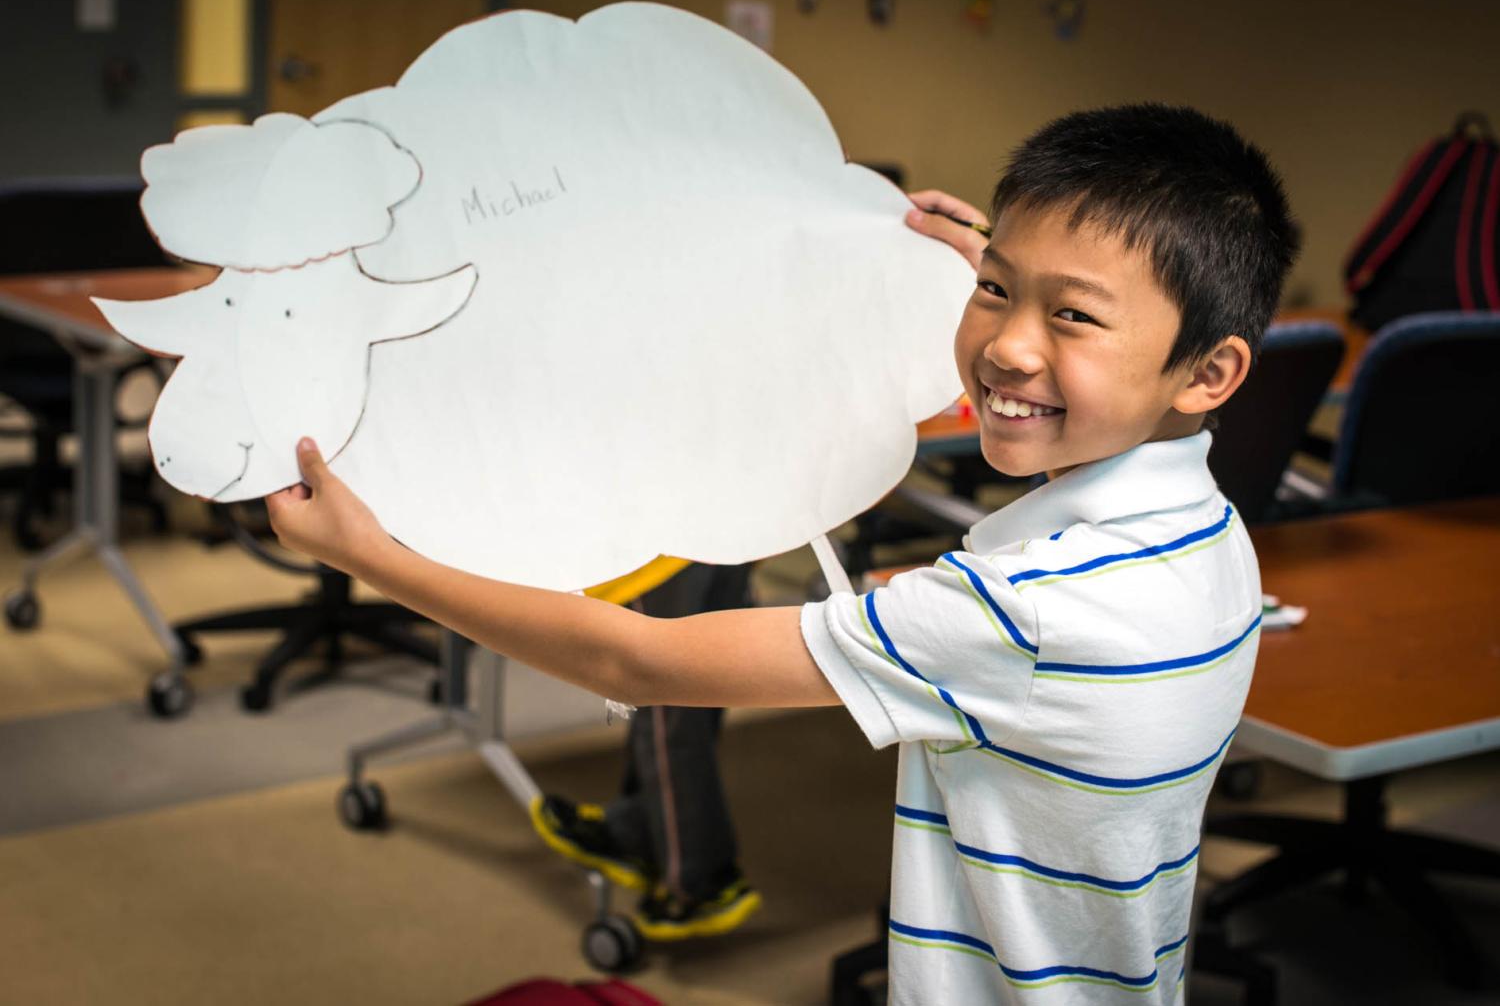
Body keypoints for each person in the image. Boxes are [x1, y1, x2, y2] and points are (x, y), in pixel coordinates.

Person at [268, 103, 1298, 1003]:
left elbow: (631, 661)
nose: (1008, 345)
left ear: (1208, 372)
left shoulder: (1014, 613)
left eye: (1070, 314)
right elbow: (1068, 350)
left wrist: (376, 555)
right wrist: (996, 269)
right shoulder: (1207, 532)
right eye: (995, 289)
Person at [530, 560, 763, 942]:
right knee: (696, 696)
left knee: (666, 712)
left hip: (656, 558)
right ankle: (639, 830)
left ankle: (697, 882)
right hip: (715, 532)